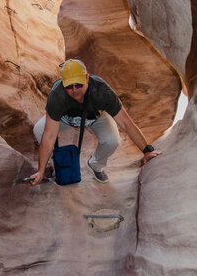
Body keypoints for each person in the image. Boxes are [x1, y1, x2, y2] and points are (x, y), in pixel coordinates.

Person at [30, 59, 161, 185]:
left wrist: (147, 151)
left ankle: (95, 164)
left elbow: (126, 123)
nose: (75, 90)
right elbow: (49, 136)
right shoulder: (57, 94)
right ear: (63, 82)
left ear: (87, 78)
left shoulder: (102, 91)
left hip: (96, 118)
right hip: (65, 119)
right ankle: (55, 162)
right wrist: (40, 172)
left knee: (112, 141)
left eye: (79, 84)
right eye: (69, 86)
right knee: (39, 130)